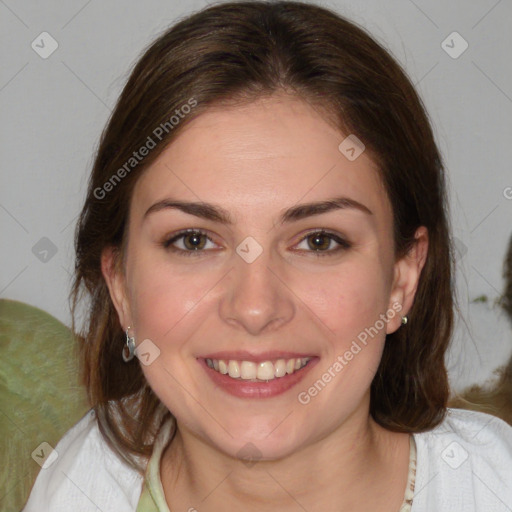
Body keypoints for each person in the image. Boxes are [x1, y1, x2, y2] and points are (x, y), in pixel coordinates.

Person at [23, 1, 512, 511]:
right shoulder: (79, 486)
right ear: (121, 285)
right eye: (193, 240)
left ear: (402, 279)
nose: (255, 308)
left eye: (319, 241)